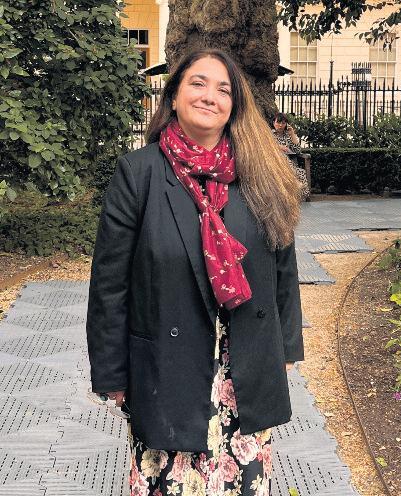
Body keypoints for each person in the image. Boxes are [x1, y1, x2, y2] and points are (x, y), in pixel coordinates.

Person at [86, 48, 304, 496]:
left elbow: (282, 265)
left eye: (223, 89)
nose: (210, 96)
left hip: (242, 369)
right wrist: (111, 374)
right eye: (198, 83)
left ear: (234, 105)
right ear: (174, 96)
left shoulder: (261, 173)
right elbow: (110, 284)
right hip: (166, 369)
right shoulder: (139, 174)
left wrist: (285, 347)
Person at [272, 113, 310, 200]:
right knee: (283, 157)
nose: (280, 125)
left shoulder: (287, 135)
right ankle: (295, 186)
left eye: (283, 123)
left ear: (286, 124)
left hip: (289, 165)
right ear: (273, 123)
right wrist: (279, 147)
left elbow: (298, 150)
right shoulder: (269, 135)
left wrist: (292, 134)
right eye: (278, 122)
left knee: (301, 172)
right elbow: (265, 147)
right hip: (274, 163)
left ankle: (301, 196)